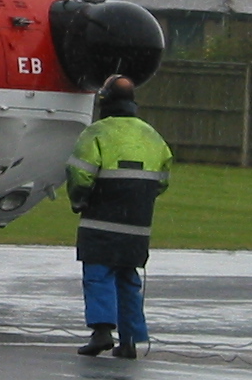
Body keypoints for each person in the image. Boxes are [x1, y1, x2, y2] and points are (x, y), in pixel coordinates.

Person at [65, 75, 173, 359]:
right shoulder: (152, 135)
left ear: (105, 102)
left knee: (99, 273)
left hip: (100, 217)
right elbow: (162, 180)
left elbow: (79, 174)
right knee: (128, 277)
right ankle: (129, 342)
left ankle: (101, 332)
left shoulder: (96, 133)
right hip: (138, 222)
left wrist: (79, 199)